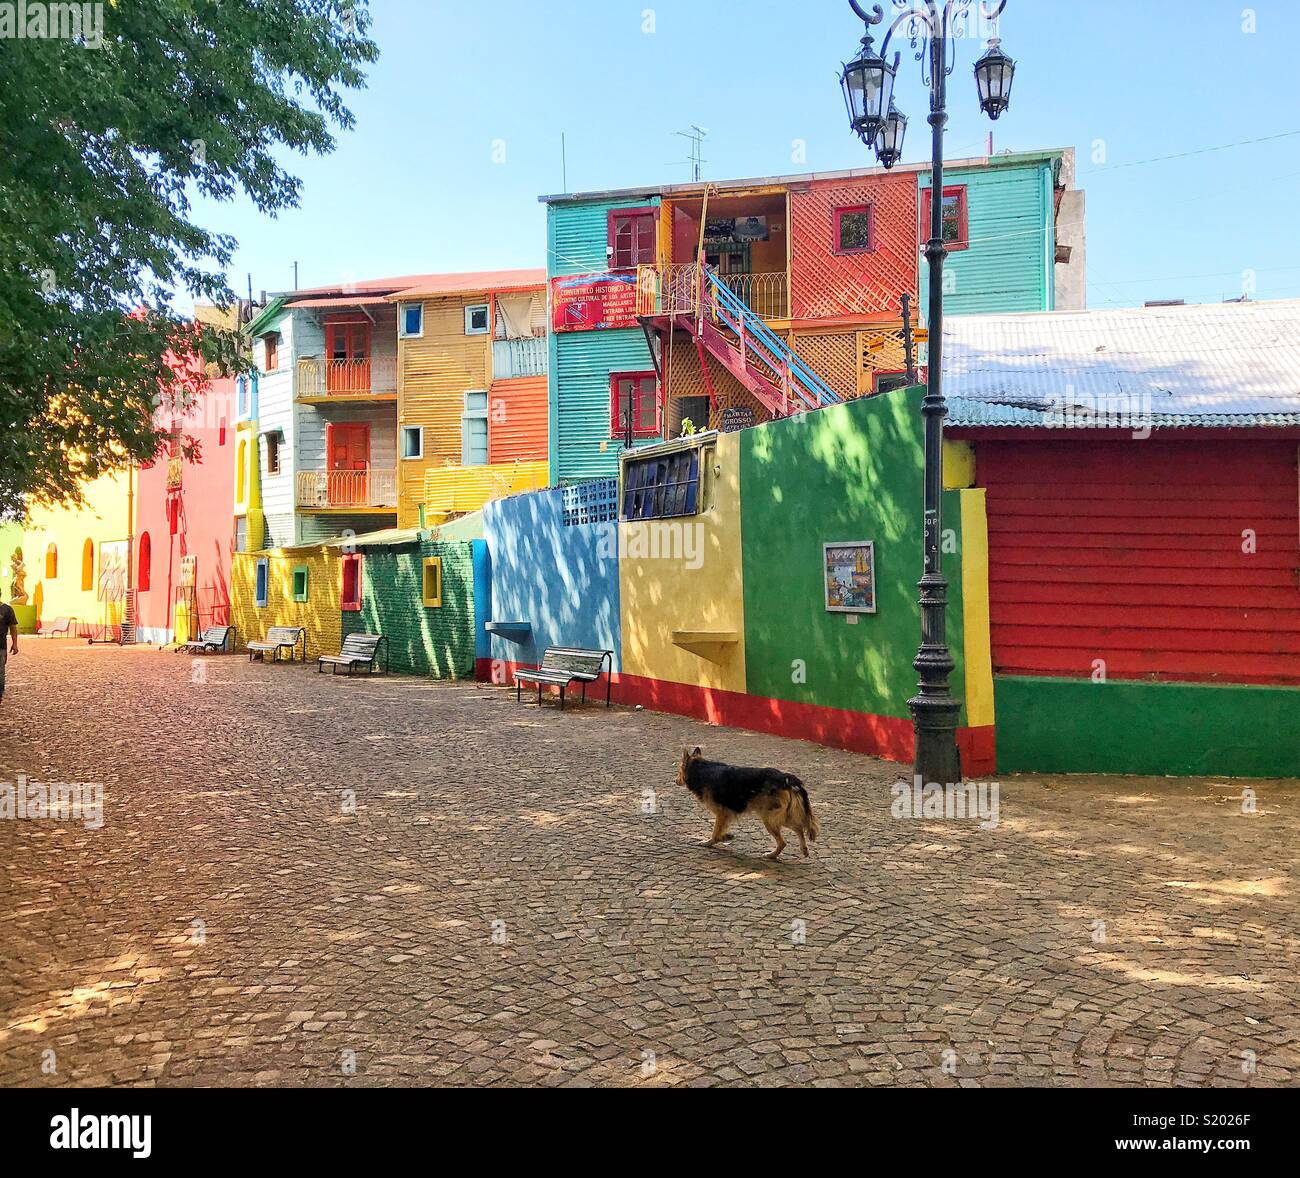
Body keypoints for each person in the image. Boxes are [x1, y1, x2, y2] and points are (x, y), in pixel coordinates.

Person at [0, 599, 17, 704]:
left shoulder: (7, 610)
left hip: (1, 646)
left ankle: (0, 694)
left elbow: (13, 627)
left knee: (0, 671)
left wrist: (15, 644)